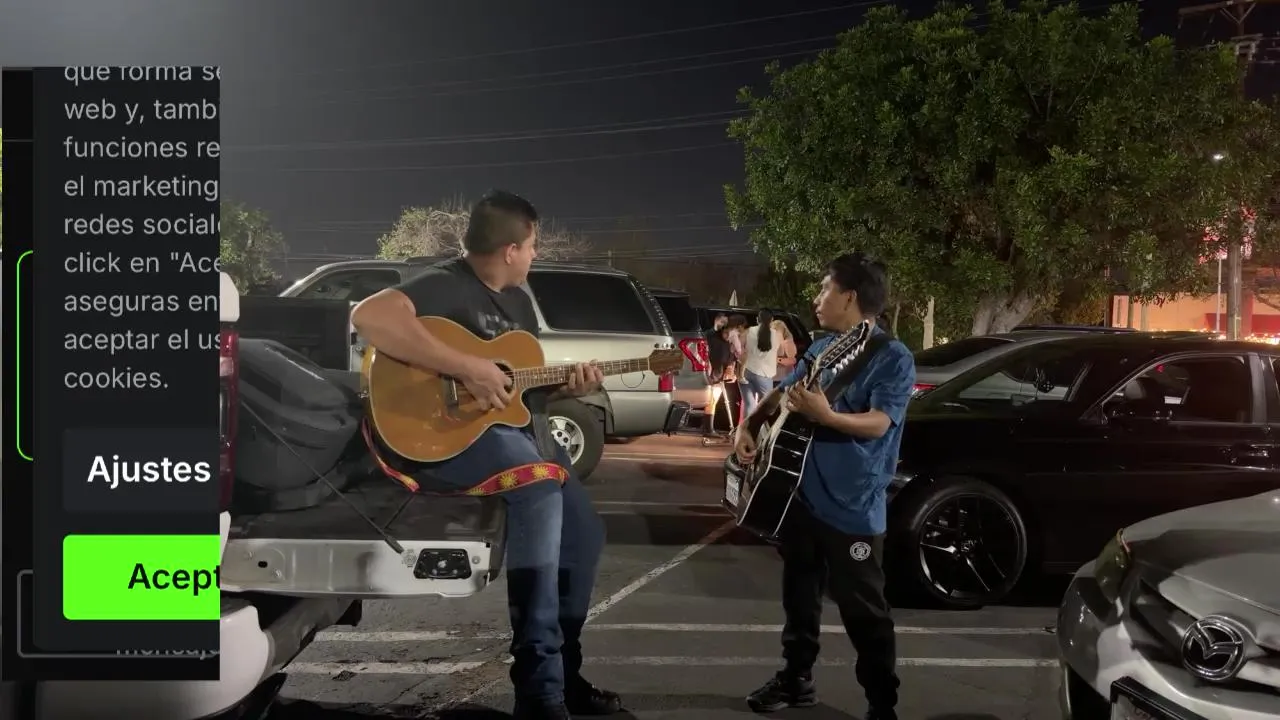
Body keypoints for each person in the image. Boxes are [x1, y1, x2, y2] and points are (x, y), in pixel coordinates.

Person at [350, 190, 621, 720]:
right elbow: (370, 315)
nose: (536, 255)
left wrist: (569, 386)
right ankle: (539, 693)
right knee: (538, 489)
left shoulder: (519, 302)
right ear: (510, 249)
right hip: (447, 437)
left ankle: (565, 673)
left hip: (515, 433)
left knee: (585, 533)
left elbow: (515, 392)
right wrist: (466, 367)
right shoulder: (445, 283)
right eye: (533, 245)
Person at [733, 253, 914, 720]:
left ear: (849, 297)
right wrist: (751, 424)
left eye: (824, 289)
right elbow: (783, 390)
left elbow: (880, 422)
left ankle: (882, 703)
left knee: (865, 612)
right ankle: (796, 679)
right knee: (800, 596)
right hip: (801, 499)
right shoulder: (823, 348)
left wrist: (827, 416)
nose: (817, 298)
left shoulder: (891, 357)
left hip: (853, 507)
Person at [741, 310, 782, 416]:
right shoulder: (777, 334)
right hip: (765, 375)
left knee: (749, 405)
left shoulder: (748, 331)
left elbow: (739, 349)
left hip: (746, 372)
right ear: (772, 320)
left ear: (757, 319)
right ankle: (761, 427)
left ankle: (747, 426)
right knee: (766, 407)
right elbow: (780, 352)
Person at [771, 319, 798, 387]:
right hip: (773, 380)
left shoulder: (788, 343)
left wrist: (778, 360)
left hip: (783, 380)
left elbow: (792, 361)